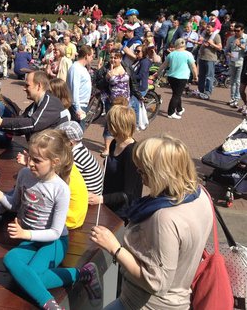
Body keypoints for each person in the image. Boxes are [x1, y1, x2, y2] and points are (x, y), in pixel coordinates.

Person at [0, 130, 101, 310]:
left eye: (37, 160)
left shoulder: (60, 189)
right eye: (30, 157)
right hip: (31, 240)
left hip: (54, 242)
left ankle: (64, 291)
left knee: (31, 277)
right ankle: (81, 275)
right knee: (10, 259)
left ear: (55, 162)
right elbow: (15, 204)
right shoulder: (24, 175)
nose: (31, 163)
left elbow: (55, 232)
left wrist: (25, 233)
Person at [90, 135, 212, 310]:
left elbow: (157, 283)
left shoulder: (164, 218)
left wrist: (114, 248)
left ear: (160, 173)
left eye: (143, 171)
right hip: (179, 297)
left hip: (145, 304)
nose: (140, 176)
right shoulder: (201, 196)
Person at [0, 71, 68, 141]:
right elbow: (22, 119)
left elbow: (33, 124)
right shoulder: (38, 103)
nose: (24, 88)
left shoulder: (50, 102)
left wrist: (0, 122)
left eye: (27, 85)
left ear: (39, 86)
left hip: (52, 152)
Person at [88, 105, 141, 217]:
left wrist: (101, 199)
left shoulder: (131, 152)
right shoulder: (114, 143)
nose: (106, 125)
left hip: (122, 212)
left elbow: (128, 193)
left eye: (109, 122)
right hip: (109, 203)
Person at [152, 38, 198, 119]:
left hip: (171, 77)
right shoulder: (188, 54)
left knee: (176, 93)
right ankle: (171, 112)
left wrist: (157, 73)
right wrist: (195, 76)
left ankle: (179, 109)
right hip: (182, 77)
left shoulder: (171, 54)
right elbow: (193, 67)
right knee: (176, 95)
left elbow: (164, 65)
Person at [57, 120, 104, 195]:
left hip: (88, 194)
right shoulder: (81, 149)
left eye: (60, 141)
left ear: (70, 143)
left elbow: (66, 179)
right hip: (92, 190)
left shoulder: (75, 158)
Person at [66, 45, 94, 129]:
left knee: (80, 130)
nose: (92, 58)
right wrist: (77, 108)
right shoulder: (76, 68)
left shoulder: (81, 68)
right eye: (92, 56)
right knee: (77, 131)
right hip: (78, 105)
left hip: (82, 104)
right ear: (86, 55)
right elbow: (74, 89)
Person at [224, 22, 247, 108]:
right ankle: (232, 98)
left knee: (238, 81)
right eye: (235, 30)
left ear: (242, 30)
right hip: (233, 61)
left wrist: (240, 45)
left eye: (238, 31)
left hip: (242, 62)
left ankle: (237, 99)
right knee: (232, 81)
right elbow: (226, 50)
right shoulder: (230, 38)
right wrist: (229, 54)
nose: (236, 32)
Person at [197, 22, 223, 100]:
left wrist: (212, 44)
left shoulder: (216, 36)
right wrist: (200, 42)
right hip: (202, 57)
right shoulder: (205, 34)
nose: (207, 28)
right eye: (207, 27)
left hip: (210, 59)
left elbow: (220, 48)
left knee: (209, 76)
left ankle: (207, 93)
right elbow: (201, 42)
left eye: (209, 27)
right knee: (201, 76)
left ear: (213, 28)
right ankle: (201, 91)